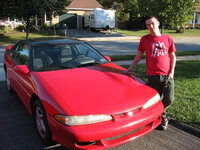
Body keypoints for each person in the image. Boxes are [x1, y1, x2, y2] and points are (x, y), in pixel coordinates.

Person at [127, 16, 176, 130]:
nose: (151, 27)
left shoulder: (168, 38)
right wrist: (131, 67)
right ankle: (162, 117)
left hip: (166, 75)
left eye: (153, 23)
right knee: (156, 99)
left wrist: (171, 72)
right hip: (153, 75)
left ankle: (160, 112)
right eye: (148, 25)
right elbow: (139, 55)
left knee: (169, 99)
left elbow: (172, 56)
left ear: (158, 23)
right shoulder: (145, 39)